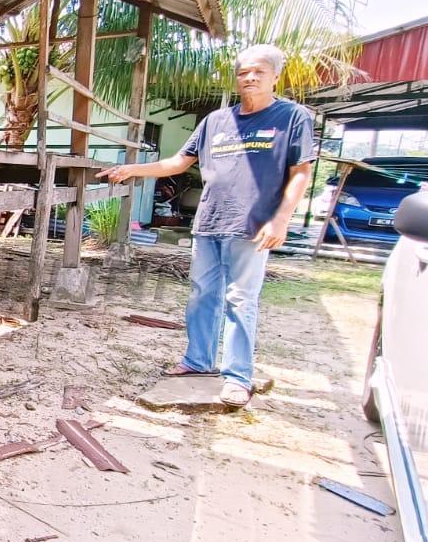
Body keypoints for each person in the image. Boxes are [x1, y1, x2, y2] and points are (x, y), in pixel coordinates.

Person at [96, 44, 317, 407]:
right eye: (244, 71)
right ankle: (198, 361)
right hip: (210, 221)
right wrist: (133, 169)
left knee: (241, 300)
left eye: (259, 71)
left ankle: (237, 377)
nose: (250, 77)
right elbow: (178, 163)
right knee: (203, 295)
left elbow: (300, 172)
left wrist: (281, 219)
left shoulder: (292, 117)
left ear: (276, 76)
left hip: (254, 224)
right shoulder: (216, 120)